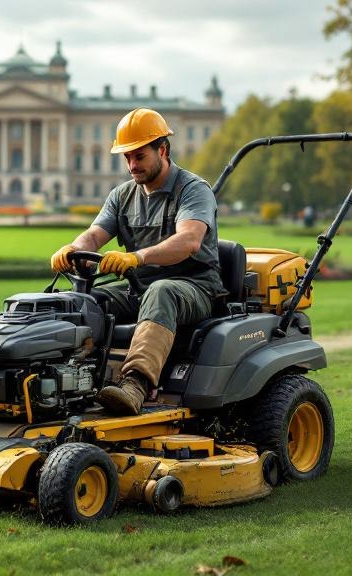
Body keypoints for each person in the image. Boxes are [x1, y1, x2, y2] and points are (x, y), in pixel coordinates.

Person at [50, 108, 224, 415]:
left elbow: (189, 240)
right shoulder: (122, 196)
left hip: (195, 288)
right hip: (138, 289)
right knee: (82, 301)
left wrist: (137, 257)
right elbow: (94, 235)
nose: (132, 165)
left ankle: (136, 385)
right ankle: (66, 378)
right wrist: (72, 248)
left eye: (139, 156)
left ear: (162, 150)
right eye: (127, 157)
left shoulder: (193, 190)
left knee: (162, 291)